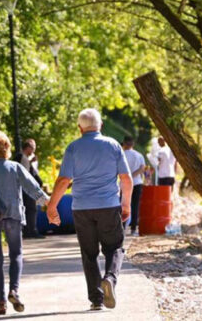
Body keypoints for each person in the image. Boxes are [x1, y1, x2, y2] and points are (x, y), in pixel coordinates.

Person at [47, 109, 133, 311]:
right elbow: (126, 179)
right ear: (100, 125)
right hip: (108, 205)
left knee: (89, 253)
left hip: (81, 208)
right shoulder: (113, 145)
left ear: (80, 128)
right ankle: (110, 279)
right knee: (114, 247)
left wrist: (52, 207)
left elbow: (64, 180)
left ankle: (96, 299)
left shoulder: (73, 148)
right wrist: (126, 204)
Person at [0, 131, 49, 315]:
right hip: (13, 215)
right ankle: (14, 290)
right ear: (7, 149)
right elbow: (33, 188)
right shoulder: (15, 167)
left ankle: (1, 302)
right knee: (16, 254)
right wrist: (49, 204)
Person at [13, 139, 44, 239]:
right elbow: (25, 174)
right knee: (31, 209)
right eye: (33, 148)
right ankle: (31, 231)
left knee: (28, 209)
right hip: (26, 188)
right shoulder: (22, 158)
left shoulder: (23, 158)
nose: (34, 150)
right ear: (28, 147)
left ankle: (28, 230)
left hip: (24, 187)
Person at [121, 136, 145, 236]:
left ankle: (122, 228)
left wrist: (127, 176)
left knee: (123, 206)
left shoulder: (121, 155)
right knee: (135, 206)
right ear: (133, 144)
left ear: (124, 144)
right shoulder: (138, 155)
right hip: (137, 183)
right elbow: (142, 168)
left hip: (124, 184)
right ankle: (134, 229)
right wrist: (133, 175)